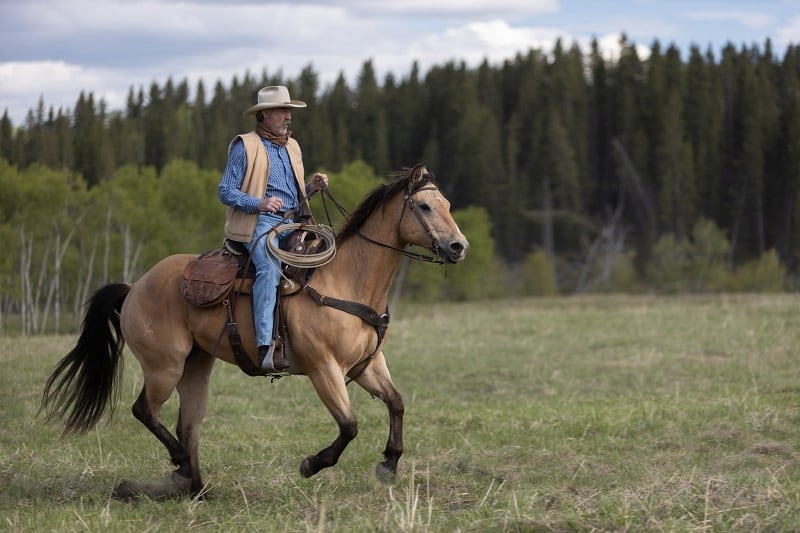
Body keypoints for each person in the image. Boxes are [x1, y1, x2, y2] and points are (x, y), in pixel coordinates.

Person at [218, 86, 328, 371]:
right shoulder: (246, 146)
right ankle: (266, 347)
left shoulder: (293, 146)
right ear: (264, 114)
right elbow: (225, 191)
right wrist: (259, 203)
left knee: (327, 254)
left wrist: (311, 189)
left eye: (289, 110)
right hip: (260, 221)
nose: (288, 116)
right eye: (282, 110)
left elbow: (292, 194)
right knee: (269, 268)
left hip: (294, 220)